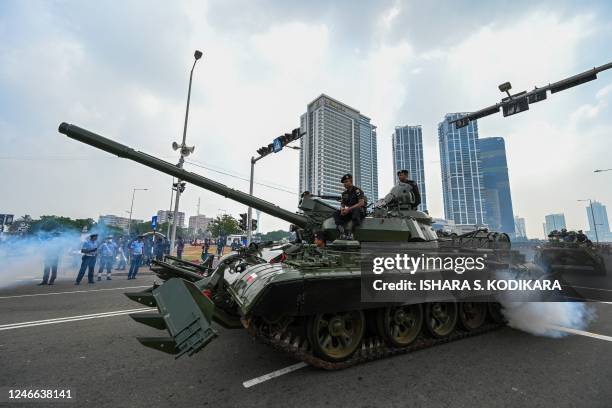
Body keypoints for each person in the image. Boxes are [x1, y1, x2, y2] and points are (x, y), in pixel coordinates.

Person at [333, 174, 366, 239]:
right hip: (350, 212)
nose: (345, 184)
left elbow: (361, 203)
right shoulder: (344, 194)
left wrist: (348, 209)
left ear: (351, 181)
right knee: (336, 213)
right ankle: (341, 231)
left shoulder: (357, 191)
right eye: (344, 182)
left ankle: (351, 233)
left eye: (346, 181)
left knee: (356, 210)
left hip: (359, 211)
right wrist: (342, 210)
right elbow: (343, 204)